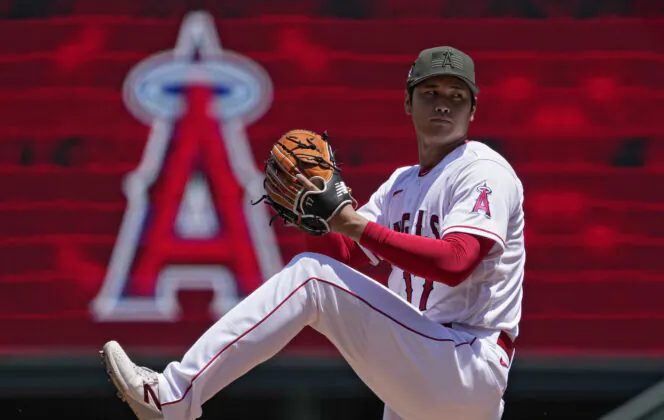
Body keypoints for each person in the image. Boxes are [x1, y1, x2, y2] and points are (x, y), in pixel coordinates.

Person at [101, 45, 526, 420]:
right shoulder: (402, 183)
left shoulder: (483, 170)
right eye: (431, 93)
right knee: (315, 272)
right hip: (424, 369)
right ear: (408, 102)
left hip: (466, 361)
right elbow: (340, 257)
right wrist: (316, 217)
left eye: (456, 97)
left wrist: (352, 222)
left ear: (472, 110)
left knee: (309, 276)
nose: (443, 105)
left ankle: (175, 395)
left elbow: (455, 262)